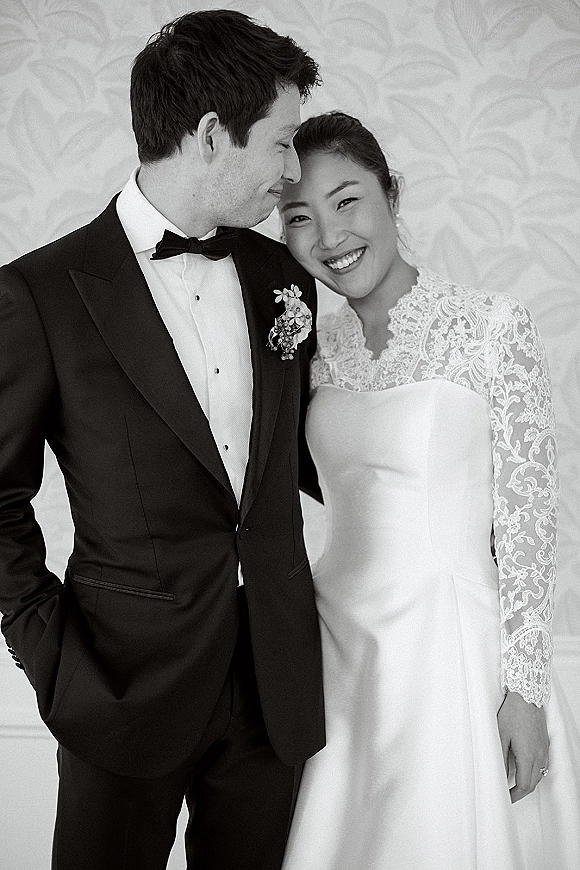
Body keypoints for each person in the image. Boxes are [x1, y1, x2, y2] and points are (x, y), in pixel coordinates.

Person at [0, 11, 325, 870]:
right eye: (282, 143)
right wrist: (48, 652)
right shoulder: (40, 293)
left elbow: (307, 455)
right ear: (212, 135)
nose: (292, 172)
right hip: (119, 688)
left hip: (275, 687)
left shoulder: (282, 279)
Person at [278, 111, 580, 870]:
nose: (329, 236)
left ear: (392, 194)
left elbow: (528, 519)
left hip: (450, 648)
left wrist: (525, 689)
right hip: (334, 653)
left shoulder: (492, 326)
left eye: (347, 201)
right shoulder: (313, 352)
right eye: (300, 217)